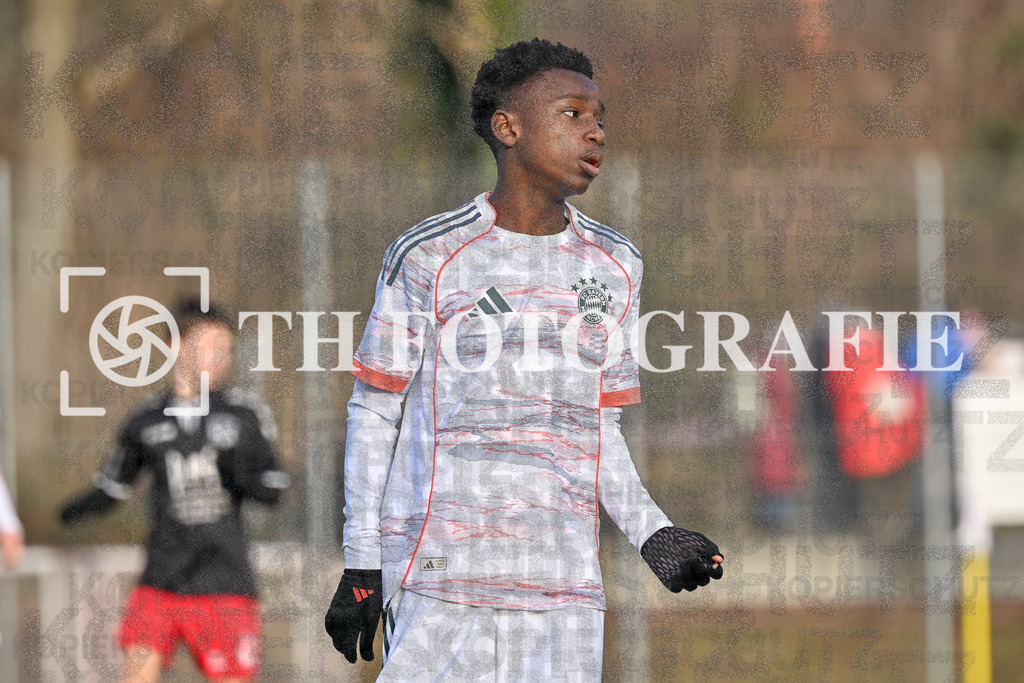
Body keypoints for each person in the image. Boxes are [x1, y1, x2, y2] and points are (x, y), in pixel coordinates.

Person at [325, 38, 723, 680]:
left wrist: (652, 530)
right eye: (572, 114)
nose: (595, 132)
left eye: (600, 119)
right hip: (440, 579)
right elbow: (375, 411)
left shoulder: (616, 266)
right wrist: (362, 561)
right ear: (508, 128)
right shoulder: (429, 255)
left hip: (563, 591)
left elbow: (598, 428)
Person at [60, 300, 289, 683]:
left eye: (226, 349)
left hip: (224, 585)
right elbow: (113, 488)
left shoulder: (244, 415)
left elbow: (274, 488)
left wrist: (237, 471)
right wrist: (65, 514)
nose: (221, 357)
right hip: (161, 582)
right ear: (175, 346)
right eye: (209, 346)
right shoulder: (145, 421)